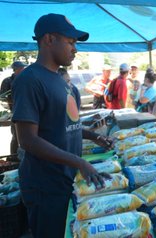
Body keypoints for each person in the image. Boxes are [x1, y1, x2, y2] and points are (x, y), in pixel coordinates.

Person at [11, 13, 114, 238]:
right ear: (49, 40)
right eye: (70, 42)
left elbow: (67, 126)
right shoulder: (30, 79)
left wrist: (93, 136)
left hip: (66, 178)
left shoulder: (60, 79)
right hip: (45, 185)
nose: (75, 49)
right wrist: (78, 161)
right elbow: (27, 140)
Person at [0, 61, 27, 155]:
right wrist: (13, 101)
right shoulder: (7, 81)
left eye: (23, 68)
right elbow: (2, 97)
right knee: (16, 135)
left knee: (26, 135)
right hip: (13, 112)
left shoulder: (26, 80)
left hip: (26, 111)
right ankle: (13, 157)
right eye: (21, 68)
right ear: (15, 69)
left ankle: (22, 156)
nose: (23, 70)